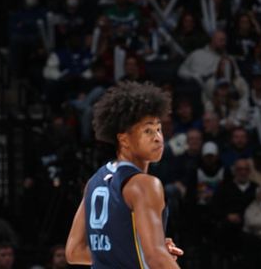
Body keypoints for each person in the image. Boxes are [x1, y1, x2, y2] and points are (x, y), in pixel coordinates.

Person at [65, 81, 182, 268]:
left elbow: (74, 252)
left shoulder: (94, 181)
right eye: (147, 130)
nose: (158, 137)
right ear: (124, 140)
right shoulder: (144, 185)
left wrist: (140, 252)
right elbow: (157, 258)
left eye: (159, 129)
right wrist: (152, 252)